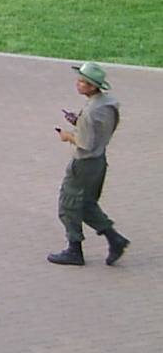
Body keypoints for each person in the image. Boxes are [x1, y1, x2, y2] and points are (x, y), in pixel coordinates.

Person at [48, 62, 130, 267]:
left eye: (83, 82)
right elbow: (97, 130)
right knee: (86, 205)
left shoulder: (92, 110)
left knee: (68, 205)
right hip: (98, 162)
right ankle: (114, 239)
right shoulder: (107, 104)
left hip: (83, 164)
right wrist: (79, 122)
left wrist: (68, 136)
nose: (78, 85)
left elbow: (85, 142)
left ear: (93, 87)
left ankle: (74, 250)